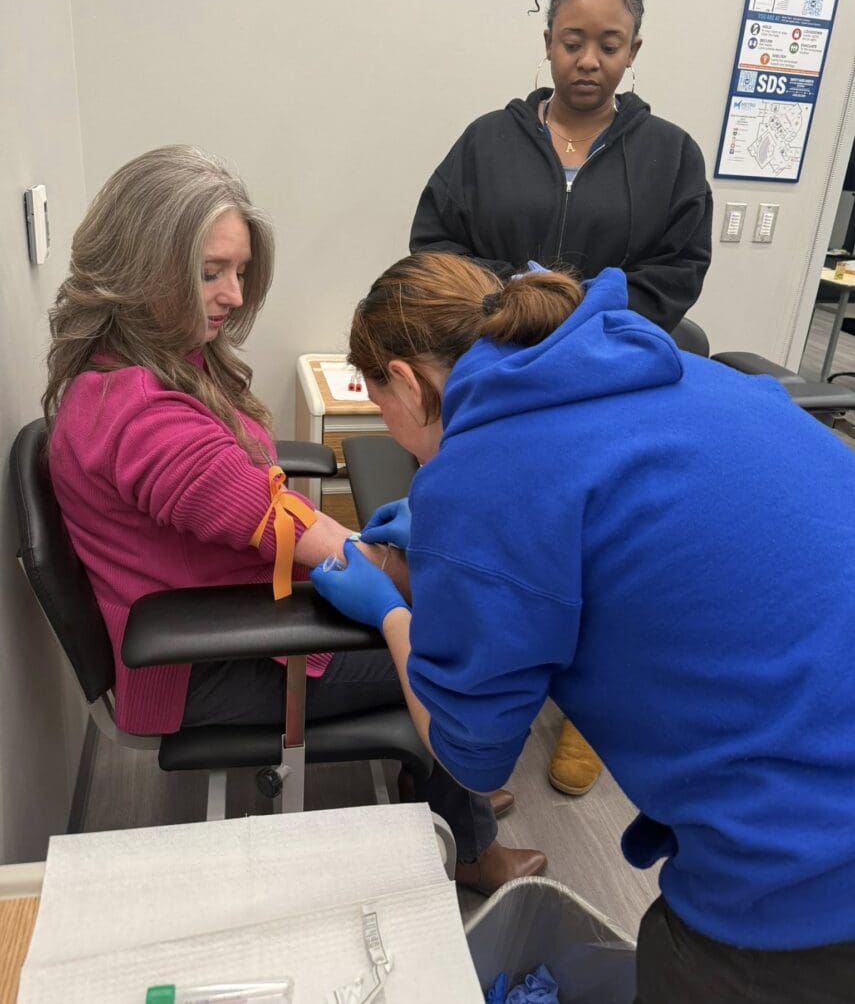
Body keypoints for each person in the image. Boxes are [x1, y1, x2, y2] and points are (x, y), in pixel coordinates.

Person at [311, 252, 855, 1003]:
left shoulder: (489, 471)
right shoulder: (663, 368)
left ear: (405, 379)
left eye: (383, 410)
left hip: (810, 855)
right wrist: (450, 555)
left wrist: (393, 610)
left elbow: (472, 754)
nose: (394, 435)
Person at [43, 144, 546, 894]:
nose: (232, 294)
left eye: (239, 272)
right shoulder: (138, 414)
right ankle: (466, 837)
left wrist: (390, 556)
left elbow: (255, 495)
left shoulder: (157, 358)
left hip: (225, 603)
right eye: (210, 271)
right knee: (454, 643)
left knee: (427, 596)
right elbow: (266, 514)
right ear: (144, 261)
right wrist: (399, 570)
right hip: (204, 656)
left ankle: (444, 777)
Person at [410, 0, 714, 796]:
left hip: (609, 379)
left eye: (607, 45)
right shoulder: (484, 141)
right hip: (500, 370)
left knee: (606, 544)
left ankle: (587, 707)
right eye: (572, 42)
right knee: (508, 535)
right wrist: (509, 298)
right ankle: (488, 695)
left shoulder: (670, 156)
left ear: (634, 50)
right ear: (546, 41)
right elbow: (435, 244)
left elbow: (679, 271)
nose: (588, 61)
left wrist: (585, 307)